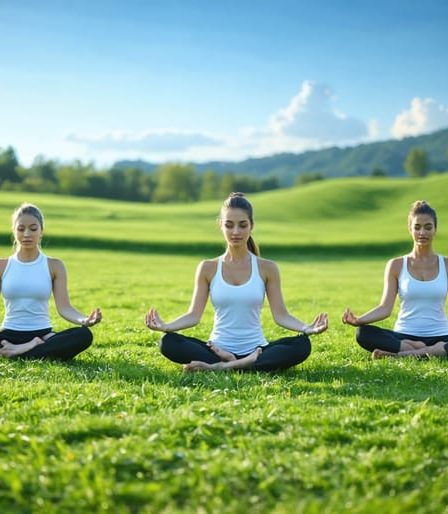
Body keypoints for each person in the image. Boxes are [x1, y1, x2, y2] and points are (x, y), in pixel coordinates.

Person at [145, 192, 328, 372]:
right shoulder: (208, 267)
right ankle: (243, 365)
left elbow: (281, 315)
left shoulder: (267, 268)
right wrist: (166, 326)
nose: (236, 232)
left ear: (251, 226)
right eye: (229, 225)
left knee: (302, 345)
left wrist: (307, 328)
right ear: (221, 226)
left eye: (242, 225)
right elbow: (194, 315)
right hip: (217, 350)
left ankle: (225, 366)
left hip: (257, 350)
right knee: (168, 342)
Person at [342, 200, 448, 359]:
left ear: (435, 229)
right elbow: (385, 308)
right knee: (363, 333)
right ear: (409, 229)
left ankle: (402, 355)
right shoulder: (396, 265)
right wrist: (358, 320)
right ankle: (429, 350)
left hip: (441, 334)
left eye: (428, 227)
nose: (422, 233)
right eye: (417, 227)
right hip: (404, 335)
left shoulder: (446, 264)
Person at [0, 203, 102, 360]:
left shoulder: (54, 265)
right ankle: (30, 349)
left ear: (41, 231)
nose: (27, 234)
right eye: (21, 229)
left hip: (43, 335)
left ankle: (21, 350)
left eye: (33, 229)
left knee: (83, 335)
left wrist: (84, 320)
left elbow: (64, 307)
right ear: (14, 231)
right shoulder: (3, 265)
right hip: (8, 334)